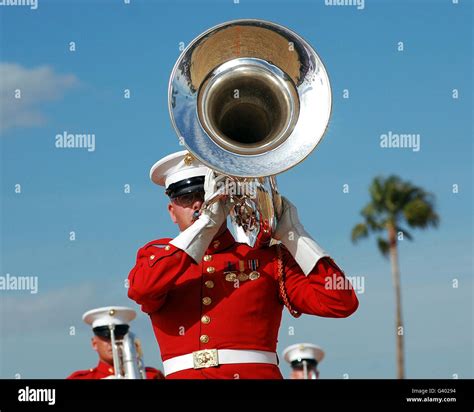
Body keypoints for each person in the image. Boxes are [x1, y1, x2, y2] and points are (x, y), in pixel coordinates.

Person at [127, 150, 359, 379]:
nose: (197, 203)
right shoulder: (155, 258)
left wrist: (294, 234)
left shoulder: (269, 259)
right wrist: (206, 225)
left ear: (225, 198)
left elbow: (340, 302)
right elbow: (142, 289)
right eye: (186, 198)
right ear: (172, 212)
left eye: (205, 193)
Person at [67, 306, 164, 379]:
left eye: (119, 336)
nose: (113, 342)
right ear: (94, 343)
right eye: (107, 337)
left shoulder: (153, 376)